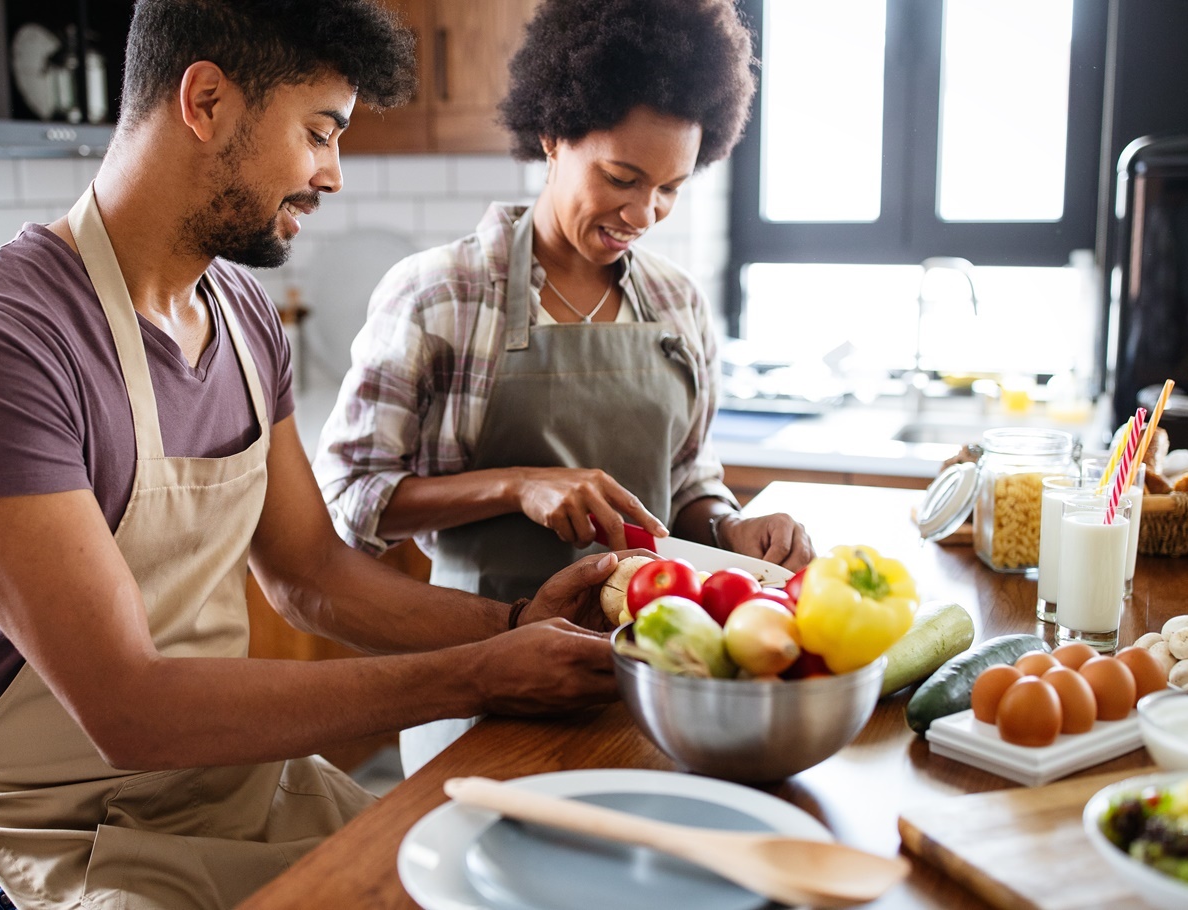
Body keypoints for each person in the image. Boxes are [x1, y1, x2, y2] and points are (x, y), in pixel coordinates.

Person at [0, 2, 622, 908]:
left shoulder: (241, 316)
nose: (332, 174)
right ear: (205, 101)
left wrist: (511, 627)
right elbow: (129, 711)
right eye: (318, 132)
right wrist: (473, 675)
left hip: (232, 790)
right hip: (42, 841)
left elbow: (310, 575)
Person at [315, 0, 815, 773]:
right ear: (552, 135)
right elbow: (349, 495)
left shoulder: (676, 303)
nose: (642, 212)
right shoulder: (438, 294)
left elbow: (687, 476)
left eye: (670, 188)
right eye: (621, 177)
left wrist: (730, 526)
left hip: (656, 678)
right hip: (484, 674)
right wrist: (517, 485)